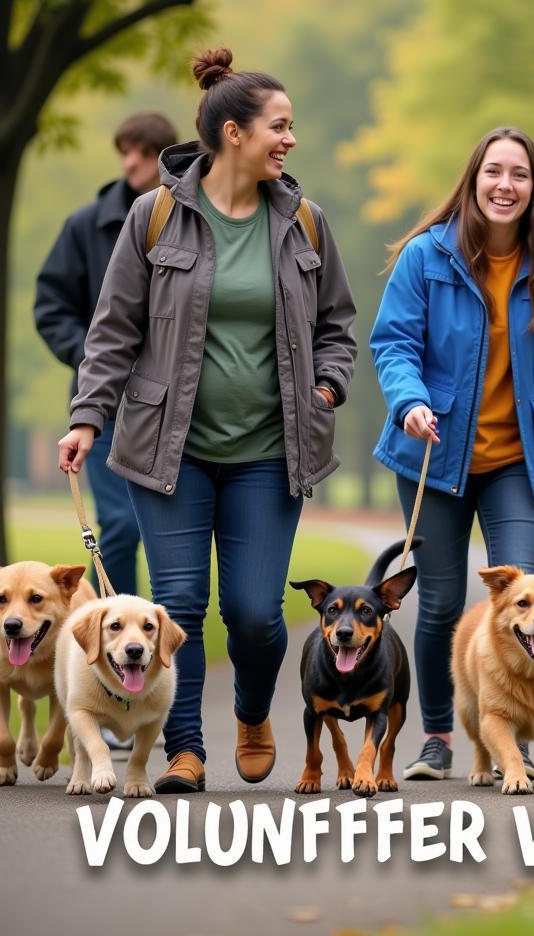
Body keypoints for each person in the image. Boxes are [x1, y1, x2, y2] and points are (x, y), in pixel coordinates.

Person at [57, 47, 358, 794]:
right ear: (233, 134)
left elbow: (338, 327)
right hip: (171, 451)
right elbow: (114, 329)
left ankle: (252, 711)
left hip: (271, 452)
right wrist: (88, 418)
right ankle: (184, 749)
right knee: (178, 606)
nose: (289, 140)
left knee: (256, 614)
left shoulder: (305, 224)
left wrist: (326, 386)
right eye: (279, 127)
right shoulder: (153, 217)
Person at [370, 126, 534, 781]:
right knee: (444, 603)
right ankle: (439, 736)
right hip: (432, 457)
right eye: (494, 173)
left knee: (524, 601)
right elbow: (393, 344)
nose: (505, 185)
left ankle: (514, 737)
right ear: (474, 181)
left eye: (519, 175)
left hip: (518, 462)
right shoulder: (427, 257)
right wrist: (410, 400)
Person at [35, 111, 178, 759]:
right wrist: (92, 357)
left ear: (165, 156)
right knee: (119, 527)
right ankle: (114, 674)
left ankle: (158, 693)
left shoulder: (182, 218)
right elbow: (50, 304)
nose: (131, 163)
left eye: (144, 152)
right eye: (124, 151)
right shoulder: (84, 226)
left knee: (171, 538)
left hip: (175, 407)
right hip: (106, 404)